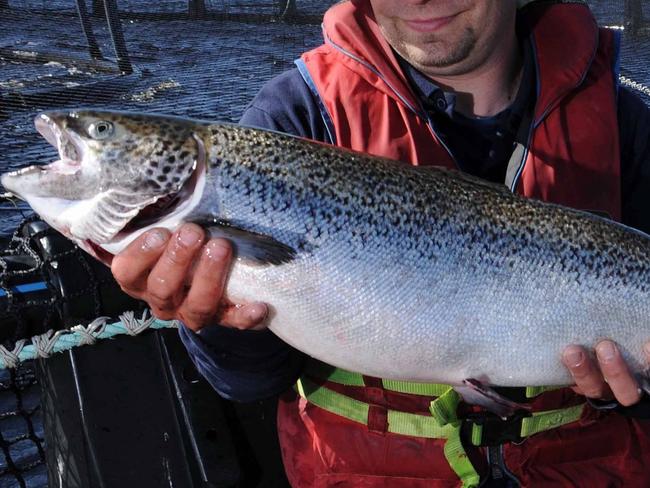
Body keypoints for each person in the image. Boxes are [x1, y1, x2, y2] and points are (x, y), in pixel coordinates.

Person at [111, 0, 650, 485]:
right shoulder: (293, 117)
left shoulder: (628, 122)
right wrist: (210, 317)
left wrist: (640, 395)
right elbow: (246, 382)